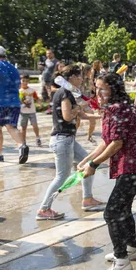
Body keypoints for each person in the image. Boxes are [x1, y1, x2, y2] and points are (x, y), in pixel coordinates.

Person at [78, 73, 136, 270]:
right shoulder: (117, 108)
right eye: (97, 88)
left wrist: (93, 165)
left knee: (111, 213)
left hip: (132, 168)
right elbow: (106, 141)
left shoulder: (118, 109)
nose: (98, 93)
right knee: (123, 209)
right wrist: (87, 159)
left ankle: (121, 261)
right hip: (133, 168)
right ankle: (130, 249)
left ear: (114, 89)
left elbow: (116, 143)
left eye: (103, 89)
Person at [36, 65, 105, 221]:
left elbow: (82, 115)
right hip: (63, 140)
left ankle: (87, 199)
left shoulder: (68, 94)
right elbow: (67, 116)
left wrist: (102, 116)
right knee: (62, 176)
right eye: (79, 76)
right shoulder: (64, 93)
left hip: (68, 139)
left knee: (89, 163)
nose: (81, 79)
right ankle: (44, 209)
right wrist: (80, 105)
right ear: (72, 77)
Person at [19, 75, 41, 147]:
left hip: (32, 111)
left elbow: (36, 98)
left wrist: (39, 103)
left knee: (35, 125)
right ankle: (23, 141)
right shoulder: (19, 91)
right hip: (23, 112)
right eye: (23, 81)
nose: (25, 83)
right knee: (23, 127)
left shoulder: (32, 90)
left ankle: (37, 138)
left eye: (26, 81)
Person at [40, 49, 58, 113]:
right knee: (44, 94)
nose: (48, 55)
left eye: (50, 53)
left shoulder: (56, 62)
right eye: (47, 53)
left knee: (50, 94)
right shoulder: (45, 61)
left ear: (53, 54)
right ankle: (48, 107)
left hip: (50, 80)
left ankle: (52, 108)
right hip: (44, 79)